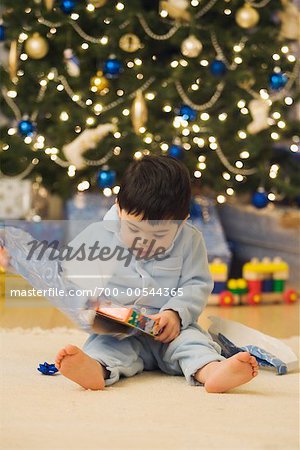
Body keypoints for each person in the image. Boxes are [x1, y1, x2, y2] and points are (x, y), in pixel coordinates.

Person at [0, 155, 258, 392]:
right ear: (119, 209)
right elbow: (67, 278)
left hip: (172, 331)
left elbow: (196, 283)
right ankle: (95, 370)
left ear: (181, 222)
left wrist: (175, 313)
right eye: (133, 231)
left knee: (194, 345)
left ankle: (212, 371)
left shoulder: (191, 240)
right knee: (105, 348)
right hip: (120, 334)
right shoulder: (97, 236)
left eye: (158, 236)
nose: (143, 243)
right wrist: (15, 261)